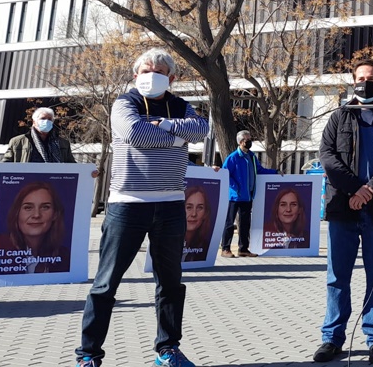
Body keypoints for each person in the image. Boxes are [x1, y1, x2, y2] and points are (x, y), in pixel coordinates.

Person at [75, 48, 209, 367]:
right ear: (135, 74)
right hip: (127, 206)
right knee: (106, 283)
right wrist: (176, 135)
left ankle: (168, 349)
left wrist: (159, 125)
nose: (152, 74)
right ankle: (89, 355)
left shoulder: (180, 105)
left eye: (160, 70)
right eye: (146, 69)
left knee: (171, 283)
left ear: (172, 78)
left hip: (171, 205)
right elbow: (133, 131)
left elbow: (201, 129)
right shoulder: (125, 102)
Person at [314, 59, 373, 364]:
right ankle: (332, 339)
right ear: (352, 81)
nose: (364, 82)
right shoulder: (339, 117)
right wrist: (355, 189)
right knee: (336, 277)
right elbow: (327, 157)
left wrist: (370, 190)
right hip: (344, 208)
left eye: (371, 78)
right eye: (359, 77)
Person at [0, 181, 70, 274]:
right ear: (17, 213)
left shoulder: (64, 256)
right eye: (28, 208)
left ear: (55, 214)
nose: (36, 215)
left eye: (45, 207)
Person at [220, 130, 278, 258]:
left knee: (245, 223)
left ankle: (243, 249)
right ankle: (225, 249)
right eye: (247, 139)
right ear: (240, 142)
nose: (249, 141)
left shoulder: (251, 156)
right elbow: (225, 174)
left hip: (248, 196)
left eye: (250, 138)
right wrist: (236, 188)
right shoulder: (233, 157)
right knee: (230, 223)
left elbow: (260, 170)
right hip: (234, 196)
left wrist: (275, 172)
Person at [3, 107, 76, 164]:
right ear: (34, 122)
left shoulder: (63, 143)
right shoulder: (17, 142)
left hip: (53, 180)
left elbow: (71, 166)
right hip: (27, 180)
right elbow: (5, 164)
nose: (46, 121)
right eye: (43, 118)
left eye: (49, 119)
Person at [182, 186, 212, 262]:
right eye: (189, 207)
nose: (194, 214)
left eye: (199, 208)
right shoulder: (167, 242)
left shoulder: (206, 248)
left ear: (205, 213)